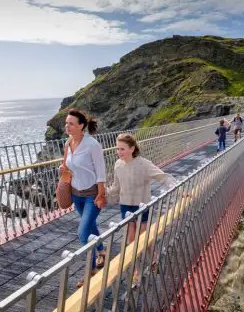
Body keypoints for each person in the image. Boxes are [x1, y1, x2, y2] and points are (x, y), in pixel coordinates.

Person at [106, 133, 177, 282]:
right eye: (117, 149)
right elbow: (115, 188)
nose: (118, 152)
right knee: (131, 238)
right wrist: (102, 194)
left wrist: (180, 190)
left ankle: (154, 257)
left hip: (142, 204)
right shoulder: (118, 165)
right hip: (125, 204)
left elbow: (162, 177)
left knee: (144, 235)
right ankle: (136, 270)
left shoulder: (144, 164)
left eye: (122, 149)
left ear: (132, 148)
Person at [60, 109, 106, 288]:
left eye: (71, 123)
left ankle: (91, 269)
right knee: (91, 226)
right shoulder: (68, 142)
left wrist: (101, 194)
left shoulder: (92, 144)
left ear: (81, 126)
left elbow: (101, 172)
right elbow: (66, 166)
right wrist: (62, 170)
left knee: (83, 232)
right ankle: (101, 250)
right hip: (75, 193)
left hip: (92, 194)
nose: (67, 126)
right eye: (66, 123)